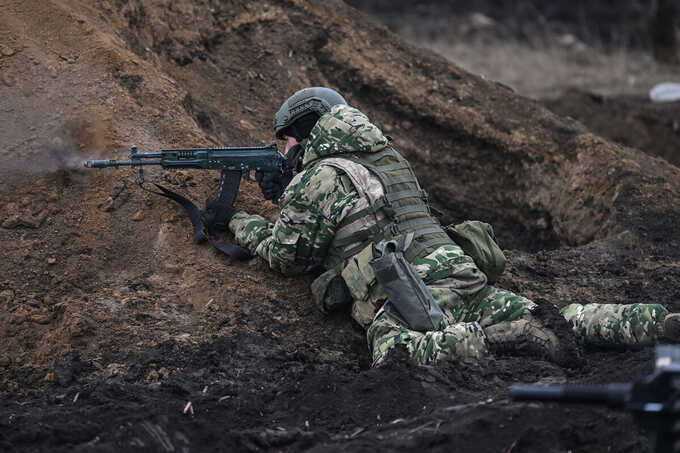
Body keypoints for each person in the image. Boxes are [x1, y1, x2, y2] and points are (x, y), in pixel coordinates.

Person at [227, 87, 680, 367]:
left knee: (394, 351)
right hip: (460, 270)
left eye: (285, 140)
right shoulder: (388, 158)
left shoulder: (320, 175)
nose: (282, 151)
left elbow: (287, 257)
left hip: (412, 290)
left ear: (305, 135)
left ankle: (503, 341)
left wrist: (241, 222)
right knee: (558, 316)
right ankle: (655, 322)